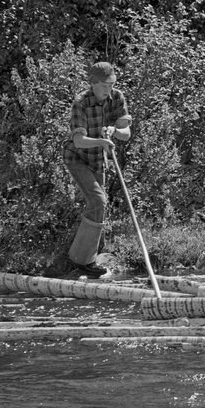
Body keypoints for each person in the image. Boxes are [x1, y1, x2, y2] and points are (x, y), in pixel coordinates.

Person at [62, 61, 132, 277]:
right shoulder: (80, 103)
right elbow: (79, 141)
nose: (108, 90)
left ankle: (94, 254)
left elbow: (126, 134)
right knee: (97, 201)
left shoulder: (117, 97)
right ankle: (82, 261)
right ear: (92, 83)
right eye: (103, 86)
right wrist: (101, 142)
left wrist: (114, 130)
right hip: (77, 158)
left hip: (98, 160)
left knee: (100, 203)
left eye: (111, 85)